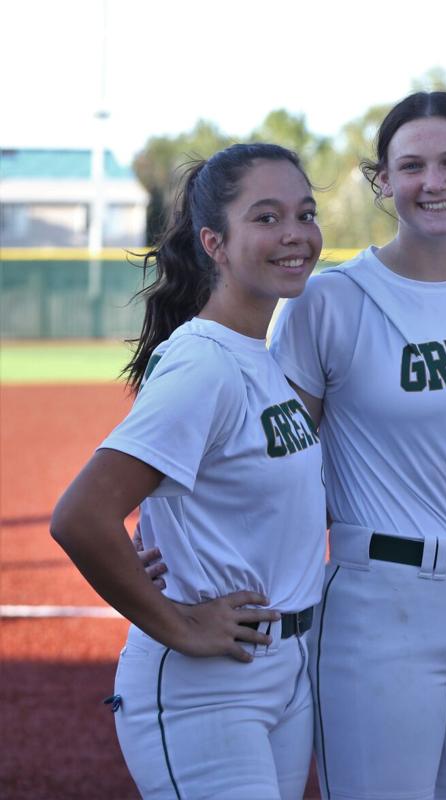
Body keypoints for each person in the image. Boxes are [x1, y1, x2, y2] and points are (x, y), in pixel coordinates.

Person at [268, 91, 446, 800]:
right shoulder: (331, 301)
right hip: (383, 603)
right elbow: (276, 463)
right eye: (412, 165)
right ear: (382, 180)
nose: (434, 182)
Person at [50, 143, 326, 799]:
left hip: (282, 669)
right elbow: (81, 515)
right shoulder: (203, 362)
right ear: (215, 243)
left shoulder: (258, 357)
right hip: (208, 688)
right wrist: (179, 625)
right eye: (266, 217)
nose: (295, 234)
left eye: (305, 213)